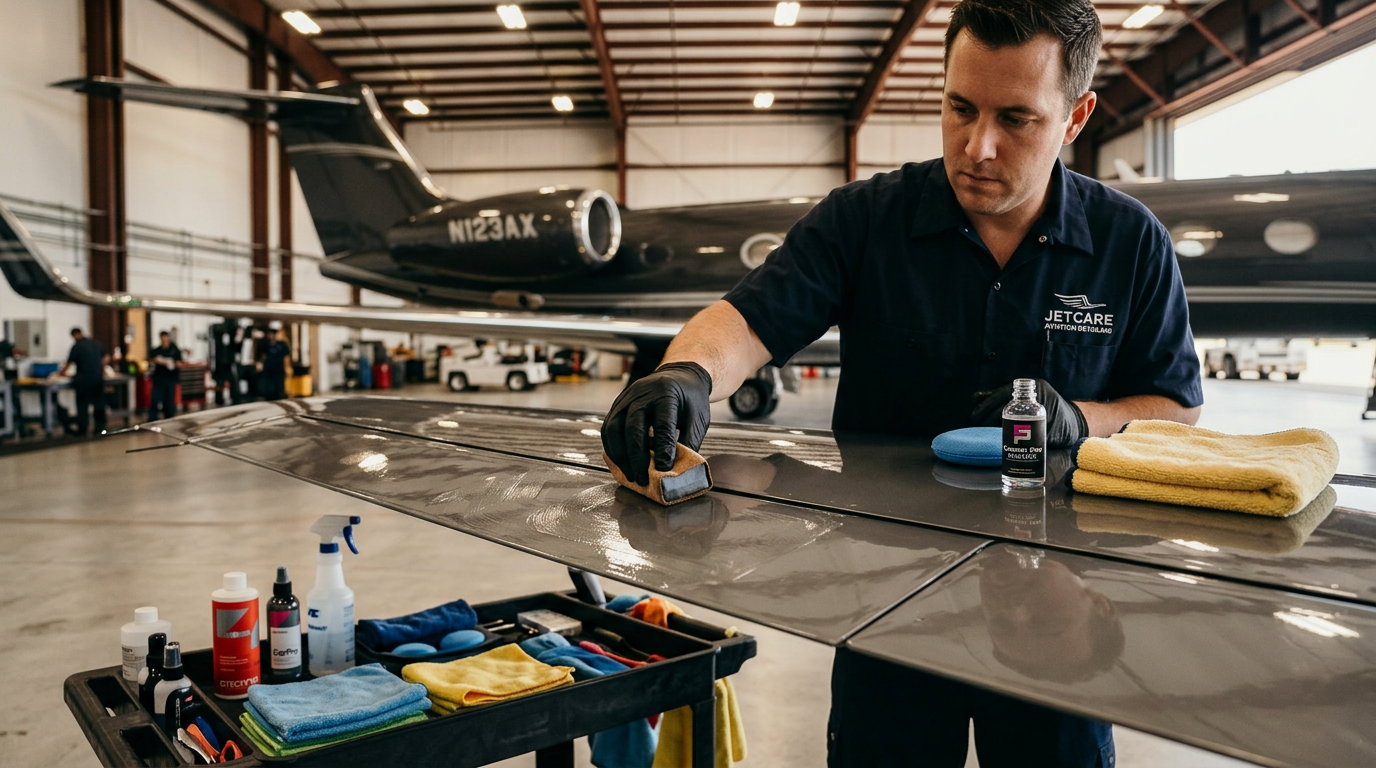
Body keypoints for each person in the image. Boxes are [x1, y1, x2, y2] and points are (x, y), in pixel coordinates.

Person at [600, 0, 1203, 764]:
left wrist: (1078, 419)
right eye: (960, 107)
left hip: (1054, 606)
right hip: (887, 601)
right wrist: (687, 373)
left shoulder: (1130, 242)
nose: (977, 146)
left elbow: (1176, 408)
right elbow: (749, 320)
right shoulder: (864, 221)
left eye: (1016, 118)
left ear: (1075, 117)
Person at [60, 327, 110, 436]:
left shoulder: (77, 346)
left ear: (74, 335)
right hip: (97, 379)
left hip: (83, 380)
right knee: (99, 403)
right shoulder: (96, 343)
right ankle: (100, 428)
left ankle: (83, 429)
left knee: (82, 405)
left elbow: (69, 363)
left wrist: (60, 374)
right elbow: (106, 358)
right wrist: (100, 369)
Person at [149, 331, 182, 421]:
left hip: (170, 379)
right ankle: (153, 419)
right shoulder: (157, 351)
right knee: (155, 400)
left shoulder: (174, 350)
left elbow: (179, 363)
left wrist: (171, 363)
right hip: (159, 379)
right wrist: (159, 361)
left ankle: (169, 419)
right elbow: (152, 358)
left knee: (169, 401)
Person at [256, 327, 292, 401]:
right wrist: (260, 364)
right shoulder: (266, 344)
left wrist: (287, 367)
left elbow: (286, 357)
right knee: (270, 386)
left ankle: (280, 398)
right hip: (269, 369)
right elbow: (263, 355)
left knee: (279, 386)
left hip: (279, 369)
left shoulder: (282, 344)